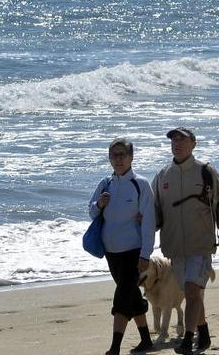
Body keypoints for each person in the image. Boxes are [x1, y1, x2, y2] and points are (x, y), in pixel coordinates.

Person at [152, 127, 219, 355]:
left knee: (191, 291)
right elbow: (154, 214)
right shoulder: (162, 176)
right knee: (194, 294)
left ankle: (188, 339)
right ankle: (204, 333)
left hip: (201, 244)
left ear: (193, 144)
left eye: (182, 139)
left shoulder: (206, 172)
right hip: (174, 248)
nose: (176, 143)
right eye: (173, 140)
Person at [88, 137, 156, 355]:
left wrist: (145, 254)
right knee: (131, 295)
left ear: (131, 157)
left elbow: (149, 222)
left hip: (134, 251)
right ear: (109, 158)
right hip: (111, 251)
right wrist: (99, 204)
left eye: (122, 154)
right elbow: (91, 212)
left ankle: (115, 348)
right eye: (114, 155)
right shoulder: (105, 183)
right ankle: (146, 341)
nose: (118, 159)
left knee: (122, 297)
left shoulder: (140, 184)